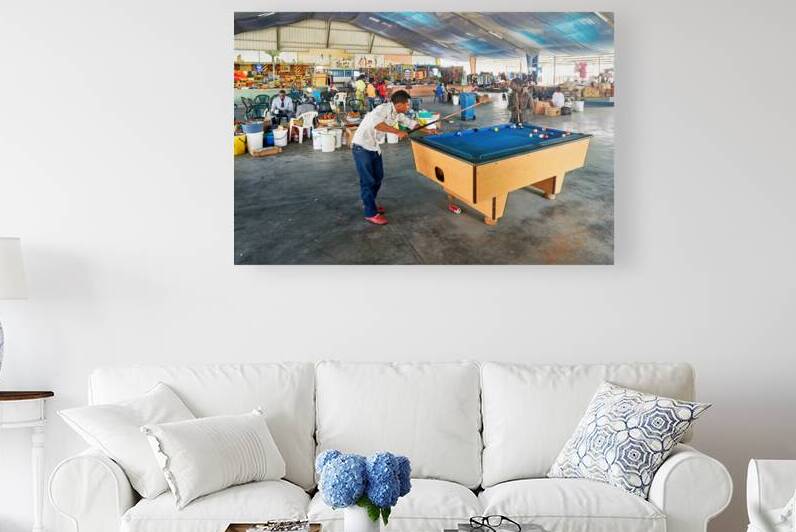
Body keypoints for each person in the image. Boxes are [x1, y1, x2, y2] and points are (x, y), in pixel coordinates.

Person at [351, 90, 417, 225]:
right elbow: (378, 124)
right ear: (399, 104)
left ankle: (369, 204)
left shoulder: (397, 114)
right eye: (407, 105)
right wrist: (397, 131)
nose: (408, 107)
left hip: (374, 147)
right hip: (362, 146)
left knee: (378, 178)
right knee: (368, 181)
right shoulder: (382, 109)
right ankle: (370, 212)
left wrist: (429, 130)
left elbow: (412, 124)